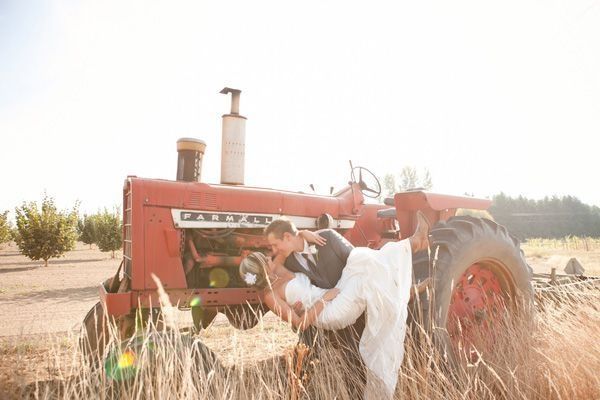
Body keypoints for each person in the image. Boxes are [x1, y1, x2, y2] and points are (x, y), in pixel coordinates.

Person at [239, 212, 430, 399]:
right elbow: (300, 323)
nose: (271, 253)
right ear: (262, 270)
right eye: (265, 258)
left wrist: (302, 234)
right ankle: (408, 278)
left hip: (333, 295)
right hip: (329, 310)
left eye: (272, 248)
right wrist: (324, 300)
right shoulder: (270, 296)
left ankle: (410, 266)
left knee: (361, 258)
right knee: (366, 279)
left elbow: (288, 244)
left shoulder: (278, 266)